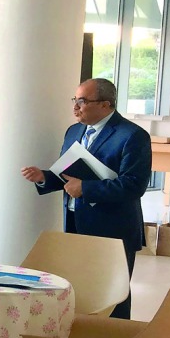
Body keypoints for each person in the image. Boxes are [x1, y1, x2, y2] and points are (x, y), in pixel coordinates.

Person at [21, 77, 151, 319]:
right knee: (79, 288)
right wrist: (45, 177)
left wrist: (87, 189)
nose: (75, 107)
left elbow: (134, 186)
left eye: (82, 101)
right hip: (75, 221)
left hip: (113, 227)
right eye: (75, 100)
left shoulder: (132, 136)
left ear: (106, 104)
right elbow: (69, 175)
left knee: (114, 294)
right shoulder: (74, 131)